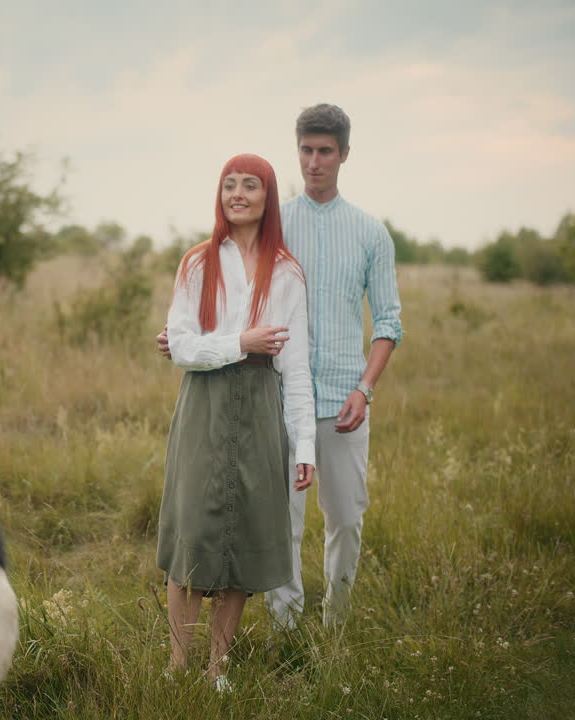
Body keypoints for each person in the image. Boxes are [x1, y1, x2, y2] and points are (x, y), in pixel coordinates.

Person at [157, 104, 403, 629]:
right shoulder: (273, 220)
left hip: (339, 398)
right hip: (266, 398)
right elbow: (221, 298)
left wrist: (365, 388)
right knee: (274, 524)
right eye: (306, 151)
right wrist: (192, 340)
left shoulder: (369, 233)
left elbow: (388, 321)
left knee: (345, 520)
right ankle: (285, 628)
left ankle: (335, 622)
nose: (314, 162)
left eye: (325, 151)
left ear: (344, 154)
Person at [156, 153, 316, 691]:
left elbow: (296, 368)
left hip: (260, 409)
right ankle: (178, 666)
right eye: (229, 185)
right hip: (204, 403)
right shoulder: (198, 263)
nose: (237, 194)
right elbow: (181, 345)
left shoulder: (287, 273)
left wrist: (305, 446)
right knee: (194, 531)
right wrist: (240, 342)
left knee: (242, 535)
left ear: (268, 198)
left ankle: (217, 668)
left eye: (250, 185)